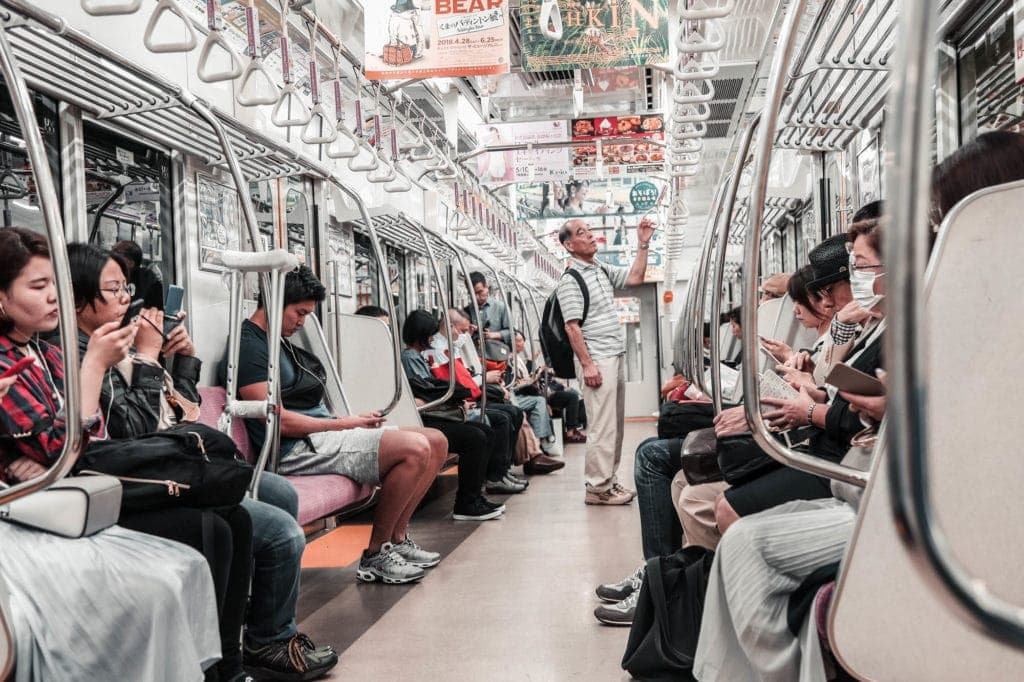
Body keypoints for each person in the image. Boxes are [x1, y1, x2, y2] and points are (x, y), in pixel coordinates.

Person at [68, 243, 337, 679]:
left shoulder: (115, 347)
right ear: (80, 299)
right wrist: (149, 357)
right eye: (114, 289)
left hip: (166, 457)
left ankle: (257, 624)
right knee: (276, 531)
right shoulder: (88, 356)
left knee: (277, 492)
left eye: (126, 288)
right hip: (143, 472)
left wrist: (184, 360)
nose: (126, 300)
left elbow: (183, 410)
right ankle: (261, 640)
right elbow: (129, 429)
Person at [0, 227, 225, 680]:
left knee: (197, 556)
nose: (52, 299)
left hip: (72, 491)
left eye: (55, 287)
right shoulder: (39, 358)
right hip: (36, 512)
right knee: (170, 572)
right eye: (38, 287)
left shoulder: (51, 355)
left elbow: (89, 437)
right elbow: (68, 445)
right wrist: (97, 368)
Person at [226, 266, 449, 585]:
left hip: (321, 435)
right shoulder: (250, 347)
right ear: (276, 303)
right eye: (299, 313)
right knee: (414, 449)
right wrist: (345, 424)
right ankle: (376, 554)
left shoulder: (279, 341)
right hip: (295, 449)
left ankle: (398, 539)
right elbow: (278, 421)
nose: (301, 322)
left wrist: (345, 423)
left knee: (437, 441)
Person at [557, 216, 654, 505]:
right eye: (582, 232)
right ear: (569, 245)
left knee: (615, 425)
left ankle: (608, 482)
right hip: (598, 358)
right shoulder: (570, 280)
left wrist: (643, 244)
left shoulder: (599, 269)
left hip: (614, 353)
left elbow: (634, 278)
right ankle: (597, 488)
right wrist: (588, 364)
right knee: (602, 425)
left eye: (590, 230)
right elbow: (572, 326)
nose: (590, 235)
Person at [401, 309, 508, 519]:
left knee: (484, 431)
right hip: (425, 418)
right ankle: (466, 503)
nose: (433, 338)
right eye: (430, 334)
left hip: (433, 413)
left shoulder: (417, 356)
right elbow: (425, 389)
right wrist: (455, 392)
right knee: (475, 438)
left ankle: (474, 497)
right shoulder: (410, 357)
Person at [110, 239, 163, 309]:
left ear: (131, 263)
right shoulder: (108, 277)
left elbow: (158, 308)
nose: (112, 262)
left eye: (117, 259)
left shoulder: (147, 280)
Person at [465, 272, 513, 347]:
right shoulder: (466, 311)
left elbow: (512, 332)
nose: (477, 297)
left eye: (479, 292)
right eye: (472, 294)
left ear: (486, 287)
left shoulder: (501, 307)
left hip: (496, 353)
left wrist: (494, 335)